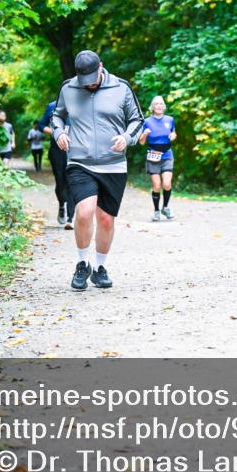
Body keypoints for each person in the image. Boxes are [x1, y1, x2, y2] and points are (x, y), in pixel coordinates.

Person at [51, 50, 144, 291]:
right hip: (80, 162)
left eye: (92, 79)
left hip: (113, 163)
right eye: (85, 80)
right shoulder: (68, 88)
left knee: (105, 219)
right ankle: (82, 264)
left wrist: (126, 138)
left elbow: (137, 120)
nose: (89, 84)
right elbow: (56, 117)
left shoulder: (121, 87)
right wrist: (59, 133)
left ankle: (100, 268)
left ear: (101, 67)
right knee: (83, 212)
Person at [138, 95, 177, 222]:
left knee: (167, 184)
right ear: (152, 107)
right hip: (153, 156)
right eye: (156, 104)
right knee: (157, 185)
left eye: (161, 104)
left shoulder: (170, 120)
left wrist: (173, 135)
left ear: (164, 106)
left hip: (167, 155)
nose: (159, 106)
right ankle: (156, 211)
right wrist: (144, 134)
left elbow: (173, 132)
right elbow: (141, 142)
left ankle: (165, 207)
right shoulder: (147, 122)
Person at [39, 93, 74, 229]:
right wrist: (55, 132)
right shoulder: (52, 106)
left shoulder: (78, 105)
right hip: (57, 150)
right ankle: (61, 205)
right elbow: (41, 125)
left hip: (74, 150)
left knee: (72, 181)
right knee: (60, 182)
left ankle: (70, 218)